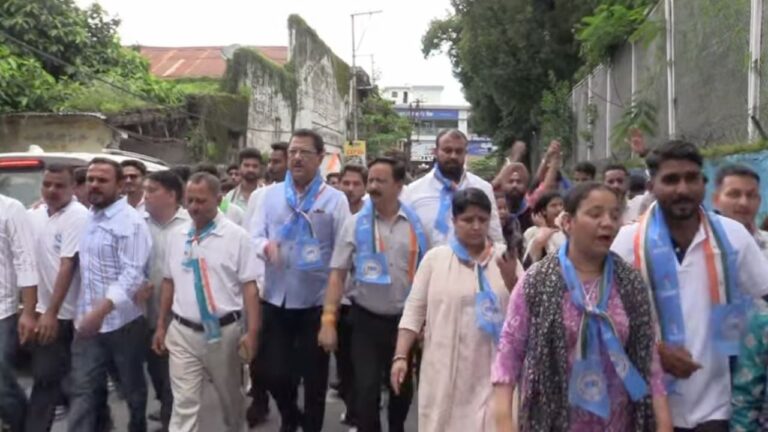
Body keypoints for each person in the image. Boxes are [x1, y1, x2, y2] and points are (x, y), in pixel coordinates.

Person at [611, 141, 768, 431]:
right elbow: (605, 324)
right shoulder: (627, 243)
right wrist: (655, 351)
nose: (682, 189)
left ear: (704, 183)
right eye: (671, 180)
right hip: (649, 408)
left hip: (718, 408)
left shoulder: (733, 237)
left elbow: (764, 296)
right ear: (652, 186)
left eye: (691, 178)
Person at [492, 182, 672, 431]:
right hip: (552, 422)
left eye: (614, 215)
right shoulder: (537, 281)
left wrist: (664, 424)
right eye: (595, 214)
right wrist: (504, 421)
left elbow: (649, 360)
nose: (607, 223)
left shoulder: (630, 283)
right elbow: (509, 353)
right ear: (568, 222)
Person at [390, 188, 519, 432]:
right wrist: (400, 357)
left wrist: (511, 279)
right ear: (454, 221)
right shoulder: (435, 260)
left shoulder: (505, 258)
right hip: (446, 367)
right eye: (468, 220)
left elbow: (524, 311)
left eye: (482, 220)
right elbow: (414, 311)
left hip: (493, 366)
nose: (476, 226)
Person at [251, 129, 350, 432]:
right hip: (275, 298)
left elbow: (342, 252)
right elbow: (253, 236)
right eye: (292, 152)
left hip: (316, 301)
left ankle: (311, 426)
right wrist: (265, 247)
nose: (296, 158)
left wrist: (332, 312)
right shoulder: (269, 196)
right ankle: (290, 414)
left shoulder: (335, 200)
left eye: (304, 152)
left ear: (320, 158)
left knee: (315, 378)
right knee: (273, 373)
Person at [319, 157, 429, 432]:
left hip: (404, 323)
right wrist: (328, 321)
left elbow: (429, 275)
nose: (373, 187)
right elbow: (337, 274)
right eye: (371, 180)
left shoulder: (417, 226)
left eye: (381, 181)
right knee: (365, 390)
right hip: (365, 320)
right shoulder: (355, 224)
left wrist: (426, 321)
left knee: (401, 389)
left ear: (399, 185)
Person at [151, 172, 259, 432]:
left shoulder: (237, 237)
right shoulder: (177, 235)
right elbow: (169, 281)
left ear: (218, 200)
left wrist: (252, 333)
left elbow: (250, 288)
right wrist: (162, 325)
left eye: (201, 201)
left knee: (230, 400)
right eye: (189, 200)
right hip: (182, 332)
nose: (194, 207)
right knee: (183, 404)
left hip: (223, 334)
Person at [68, 157, 152, 432]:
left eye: (102, 180)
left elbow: (132, 274)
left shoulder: (131, 223)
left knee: (131, 388)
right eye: (90, 179)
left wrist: (101, 310)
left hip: (122, 323)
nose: (94, 185)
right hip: (88, 324)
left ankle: (137, 426)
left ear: (119, 186)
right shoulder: (88, 216)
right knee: (83, 389)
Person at [25, 165, 88, 432]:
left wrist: (51, 313)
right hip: (39, 309)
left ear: (73, 188)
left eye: (59, 185)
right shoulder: (35, 215)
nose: (52, 190)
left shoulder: (78, 216)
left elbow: (67, 265)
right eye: (47, 184)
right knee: (56, 379)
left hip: (64, 314)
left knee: (47, 379)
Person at [243, 141, 289, 428]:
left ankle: (290, 411)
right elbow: (250, 239)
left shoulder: (318, 199)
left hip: (299, 294)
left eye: (277, 161)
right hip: (263, 288)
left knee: (285, 364)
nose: (272, 166)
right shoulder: (260, 197)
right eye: (270, 161)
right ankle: (259, 401)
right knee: (259, 356)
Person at [142, 170, 190, 431]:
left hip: (181, 315)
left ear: (171, 195)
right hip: (146, 312)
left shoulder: (190, 225)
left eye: (152, 191)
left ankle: (172, 418)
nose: (145, 196)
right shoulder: (137, 223)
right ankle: (166, 407)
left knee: (176, 375)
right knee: (156, 370)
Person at [402, 129, 503, 247]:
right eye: (447, 150)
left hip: (473, 258)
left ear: (465, 153)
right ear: (435, 152)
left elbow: (495, 237)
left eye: (459, 151)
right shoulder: (414, 191)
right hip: (430, 258)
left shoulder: (483, 188)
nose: (453, 156)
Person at [333, 162, 369, 427]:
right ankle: (351, 404)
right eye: (346, 183)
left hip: (363, 301)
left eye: (356, 184)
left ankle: (361, 412)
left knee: (362, 365)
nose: (350, 188)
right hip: (336, 300)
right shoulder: (331, 211)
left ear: (365, 187)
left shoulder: (370, 217)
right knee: (343, 363)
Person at [0, 193, 38, 432]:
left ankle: (23, 425)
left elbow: (27, 261)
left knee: (2, 385)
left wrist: (28, 312)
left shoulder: (11, 209)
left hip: (2, 311)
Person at [712, 164, 768, 256]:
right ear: (716, 200)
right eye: (734, 194)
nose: (744, 203)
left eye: (751, 195)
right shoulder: (701, 246)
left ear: (759, 200)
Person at [522, 190, 566, 265]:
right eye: (553, 206)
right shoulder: (532, 232)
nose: (559, 209)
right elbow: (529, 261)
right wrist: (544, 230)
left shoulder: (568, 231)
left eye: (561, 205)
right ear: (543, 211)